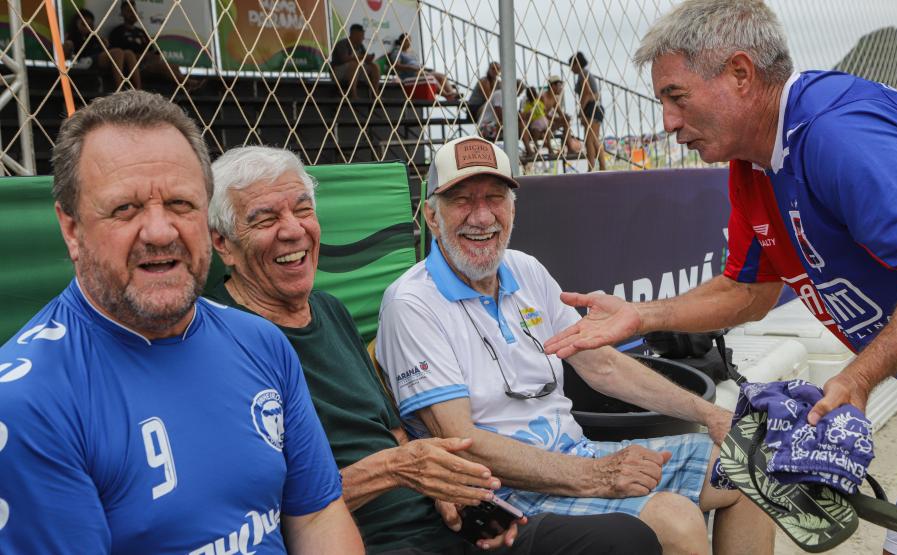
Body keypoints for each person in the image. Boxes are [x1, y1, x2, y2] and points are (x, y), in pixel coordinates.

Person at [544, 1, 897, 553]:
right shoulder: (752, 166)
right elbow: (749, 292)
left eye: (676, 96)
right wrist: (643, 315)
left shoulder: (835, 134)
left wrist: (858, 379)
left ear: (741, 74)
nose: (667, 122)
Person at [204, 144, 663, 555]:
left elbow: (396, 432)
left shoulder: (330, 311)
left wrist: (447, 487)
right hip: (373, 539)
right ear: (222, 243)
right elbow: (259, 508)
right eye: (265, 219)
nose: (293, 231)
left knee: (628, 539)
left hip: (451, 522)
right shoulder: (219, 341)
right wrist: (399, 469)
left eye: (303, 210)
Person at [0, 90, 362, 553]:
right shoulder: (30, 401)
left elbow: (315, 515)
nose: (160, 231)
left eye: (180, 204)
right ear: (71, 229)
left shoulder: (261, 341)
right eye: (125, 209)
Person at [376, 136, 774, 555]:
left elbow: (603, 365)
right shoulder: (411, 303)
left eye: (495, 197)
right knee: (675, 520)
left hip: (578, 452)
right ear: (433, 218)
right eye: (462, 200)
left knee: (750, 468)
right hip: (507, 491)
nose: (481, 216)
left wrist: (710, 415)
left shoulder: (525, 270)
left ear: (513, 209)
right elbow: (460, 440)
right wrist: (598, 475)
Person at [108, 0, 204, 92]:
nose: (133, 14)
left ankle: (185, 87)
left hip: (148, 63)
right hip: (134, 66)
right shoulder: (117, 32)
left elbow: (152, 50)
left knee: (174, 66)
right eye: (129, 11)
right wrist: (140, 57)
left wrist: (154, 56)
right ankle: (188, 83)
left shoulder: (141, 32)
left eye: (134, 11)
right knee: (163, 67)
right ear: (123, 13)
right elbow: (119, 55)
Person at [64, 8, 141, 90]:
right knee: (117, 52)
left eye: (90, 24)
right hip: (85, 60)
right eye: (83, 24)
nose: (87, 27)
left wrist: (104, 43)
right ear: (76, 24)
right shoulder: (72, 37)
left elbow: (105, 48)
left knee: (129, 53)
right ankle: (119, 88)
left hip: (98, 57)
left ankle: (138, 88)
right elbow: (68, 55)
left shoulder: (94, 37)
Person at [389, 33, 458, 100]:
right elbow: (396, 66)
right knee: (429, 76)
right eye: (407, 40)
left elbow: (418, 66)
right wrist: (411, 68)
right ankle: (445, 94)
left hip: (419, 72)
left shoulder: (411, 53)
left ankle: (451, 95)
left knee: (442, 76)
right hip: (409, 74)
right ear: (401, 41)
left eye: (410, 40)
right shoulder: (397, 52)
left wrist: (427, 69)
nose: (409, 42)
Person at [569, 52, 607, 171]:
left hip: (591, 108)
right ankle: (599, 166)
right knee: (593, 139)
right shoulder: (586, 74)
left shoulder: (583, 74)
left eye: (571, 65)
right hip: (596, 108)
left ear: (576, 64)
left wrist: (581, 111)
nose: (571, 69)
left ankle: (595, 167)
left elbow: (586, 94)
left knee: (590, 140)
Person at [330, 24, 380, 97]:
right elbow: (344, 59)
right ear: (355, 34)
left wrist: (369, 58)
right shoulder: (342, 44)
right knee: (354, 64)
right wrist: (360, 57)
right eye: (362, 35)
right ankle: (353, 94)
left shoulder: (360, 46)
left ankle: (375, 93)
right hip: (337, 72)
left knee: (374, 66)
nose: (363, 38)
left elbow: (365, 59)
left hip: (355, 72)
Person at [540, 75, 576, 156]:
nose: (561, 88)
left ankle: (569, 147)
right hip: (539, 124)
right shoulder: (543, 97)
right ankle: (550, 148)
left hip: (547, 123)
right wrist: (558, 119)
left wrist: (565, 117)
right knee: (548, 123)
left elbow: (560, 113)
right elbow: (542, 115)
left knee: (566, 121)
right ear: (553, 86)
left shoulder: (554, 98)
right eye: (559, 85)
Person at [519, 86, 549, 158]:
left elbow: (527, 116)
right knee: (545, 132)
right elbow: (545, 111)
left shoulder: (528, 106)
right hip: (545, 121)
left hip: (537, 123)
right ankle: (549, 148)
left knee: (534, 139)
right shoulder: (539, 102)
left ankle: (536, 151)